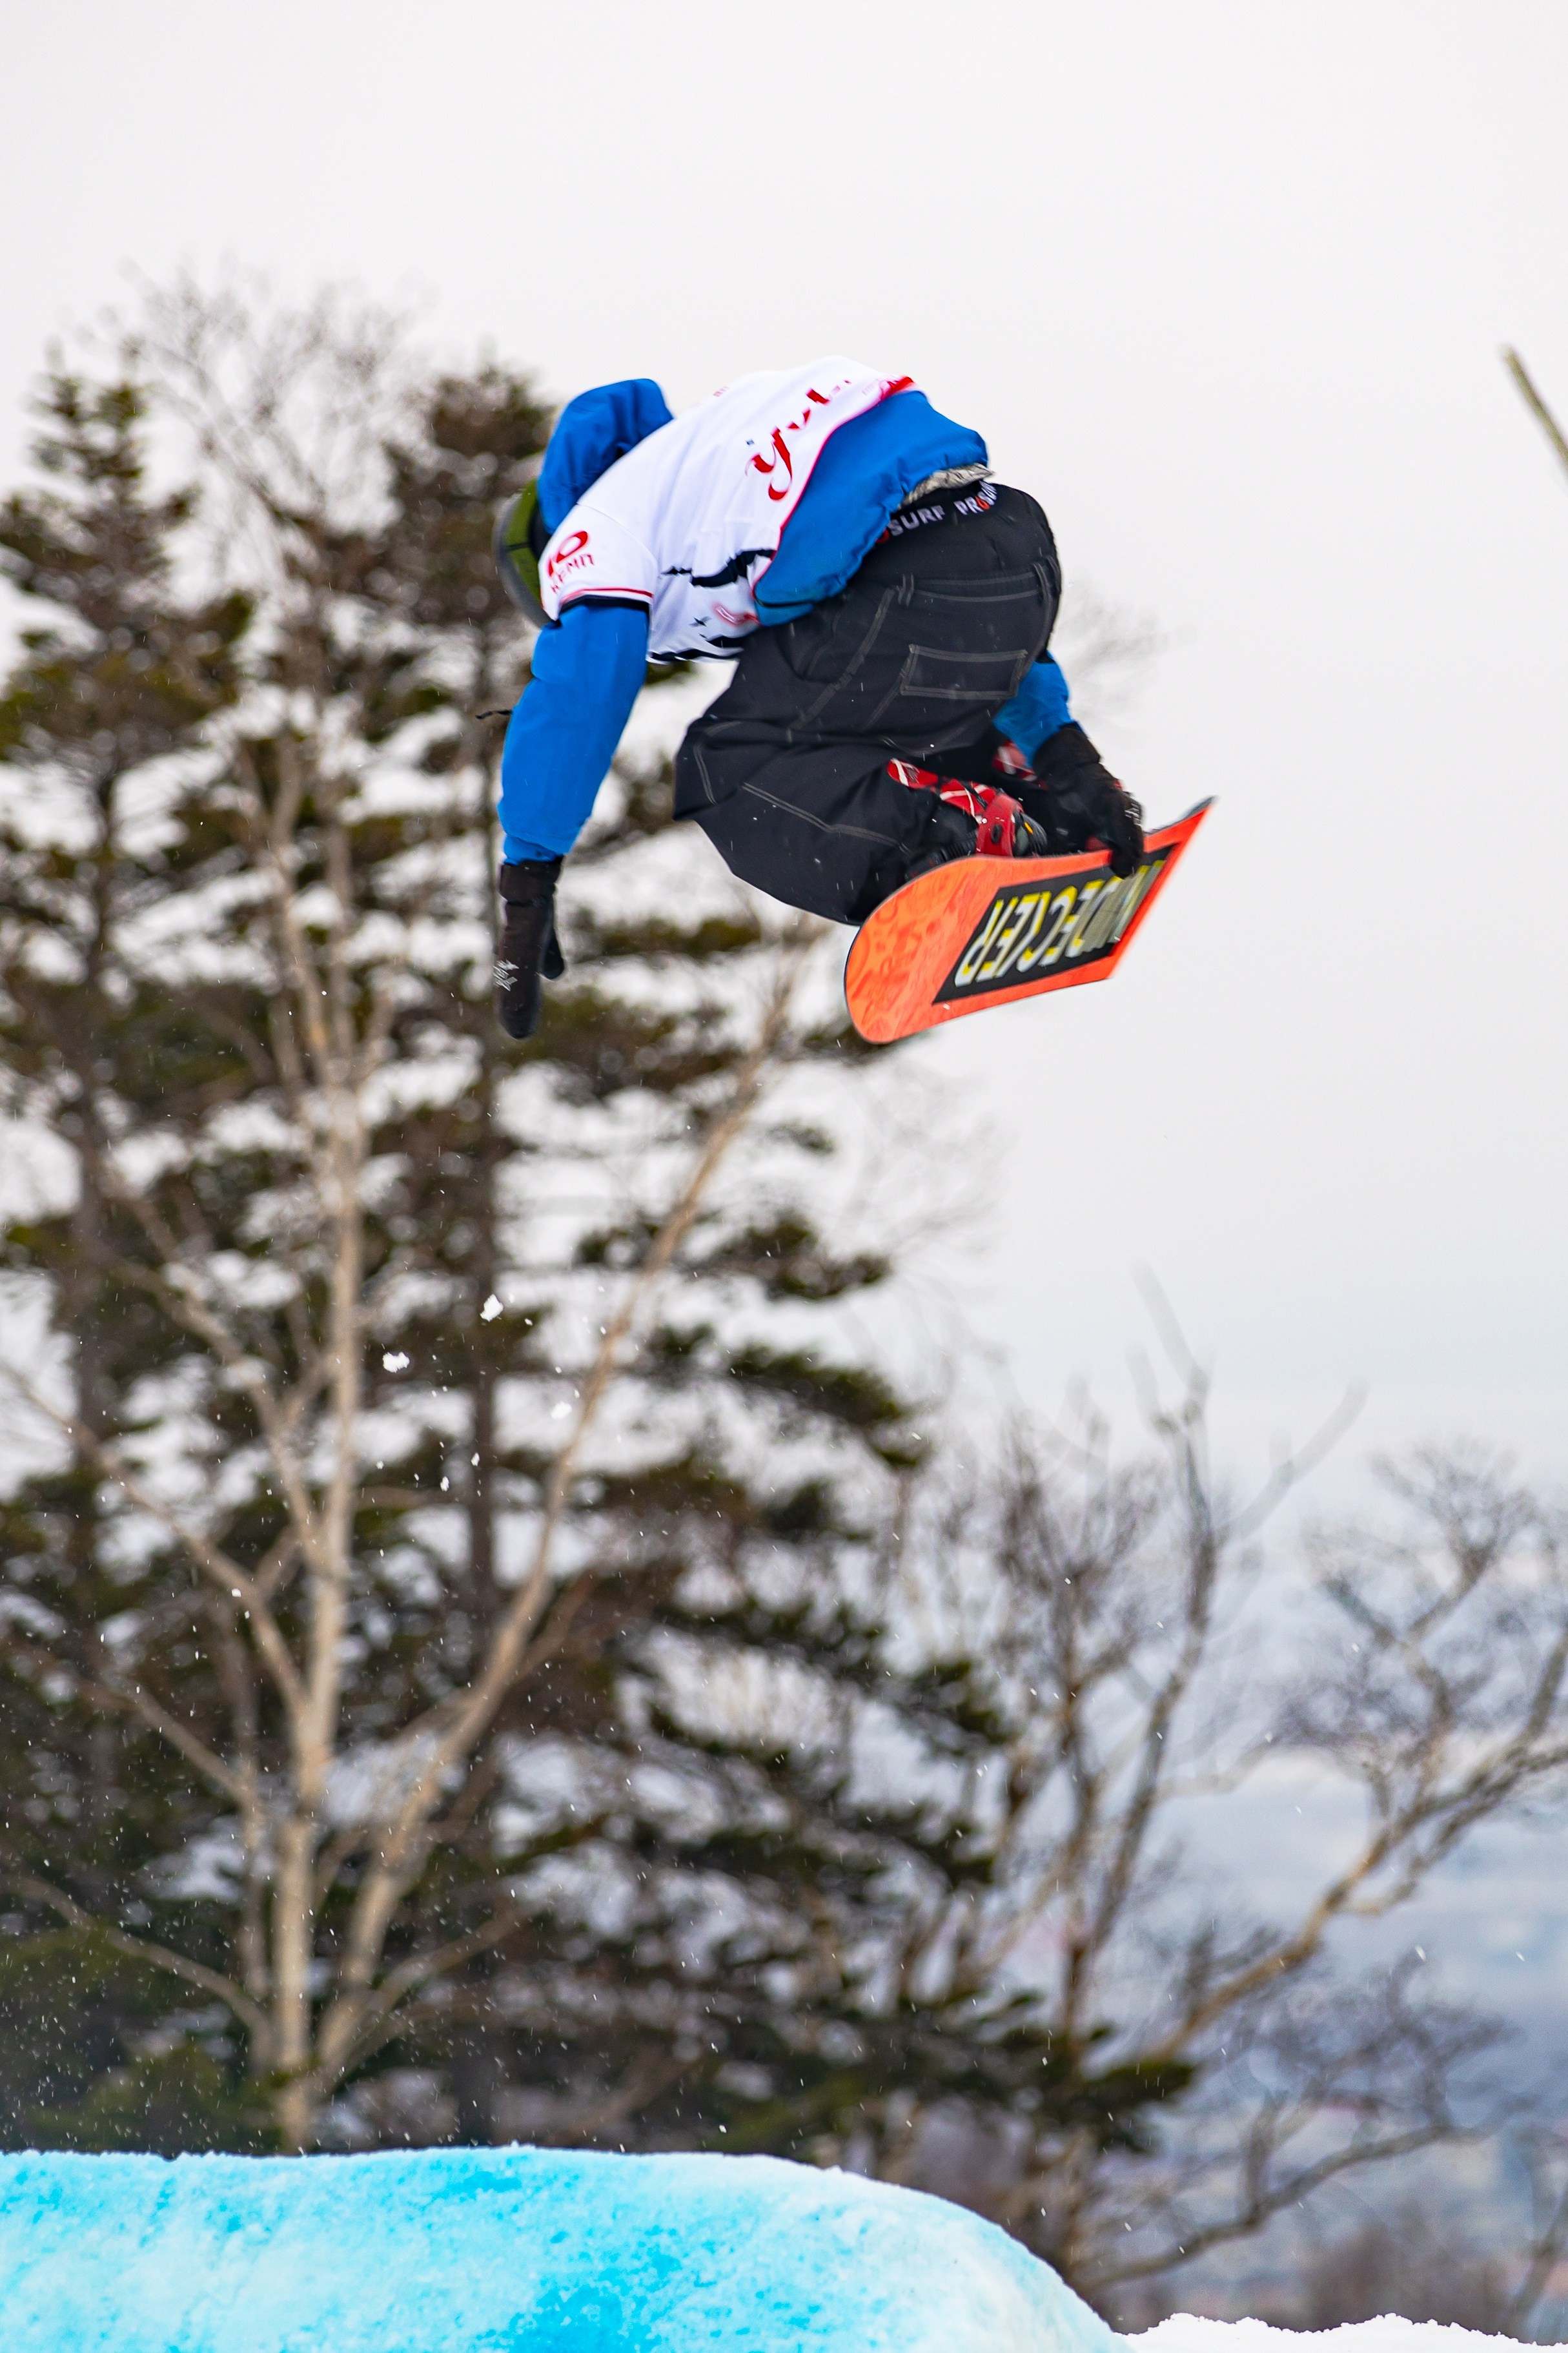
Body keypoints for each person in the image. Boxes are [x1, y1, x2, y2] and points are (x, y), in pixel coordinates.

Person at [491, 359, 1144, 1038]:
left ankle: (954, 839)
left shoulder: (591, 530)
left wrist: (529, 874)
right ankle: (1054, 812)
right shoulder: (704, 466)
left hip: (911, 578)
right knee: (838, 720)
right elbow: (964, 628)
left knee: (729, 773)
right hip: (1013, 555)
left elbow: (578, 694)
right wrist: (1070, 762)